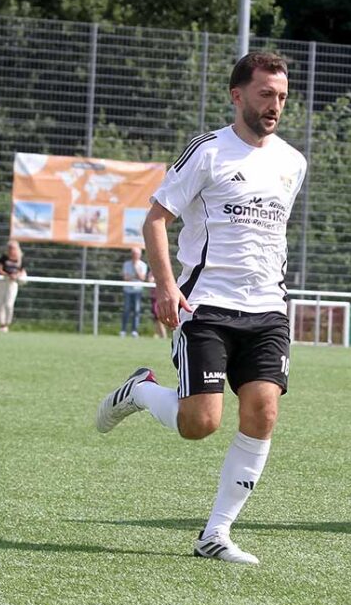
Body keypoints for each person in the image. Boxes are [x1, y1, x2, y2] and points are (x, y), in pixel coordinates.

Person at [94, 52, 307, 565]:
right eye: (264, 94)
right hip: (205, 307)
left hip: (268, 310)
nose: (274, 104)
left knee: (264, 410)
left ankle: (216, 533)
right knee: (200, 423)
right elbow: (155, 221)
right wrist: (166, 286)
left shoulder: (293, 162)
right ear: (238, 96)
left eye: (280, 96)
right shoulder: (208, 152)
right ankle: (142, 392)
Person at [0, 240, 25, 333]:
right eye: (10, 248)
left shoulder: (20, 259)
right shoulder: (4, 258)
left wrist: (16, 276)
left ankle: (7, 323)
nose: (12, 250)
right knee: (1, 304)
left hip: (13, 283)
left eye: (13, 248)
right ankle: (2, 324)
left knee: (9, 304)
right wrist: (8, 275)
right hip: (3, 282)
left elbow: (22, 271)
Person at [120, 247, 148, 337]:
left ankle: (134, 331)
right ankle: (123, 330)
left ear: (139, 255)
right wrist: (135, 276)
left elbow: (142, 278)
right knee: (126, 310)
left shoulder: (143, 265)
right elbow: (125, 278)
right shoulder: (126, 264)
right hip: (127, 290)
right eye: (134, 254)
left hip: (137, 290)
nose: (135, 256)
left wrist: (136, 268)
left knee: (136, 311)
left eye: (137, 254)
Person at [146, 270, 168, 339]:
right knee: (156, 317)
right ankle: (158, 333)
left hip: (159, 297)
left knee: (158, 316)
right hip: (154, 297)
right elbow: (150, 281)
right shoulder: (151, 272)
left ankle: (163, 335)